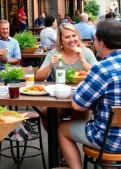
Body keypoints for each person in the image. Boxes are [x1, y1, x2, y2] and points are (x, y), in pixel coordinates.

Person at [58, 19, 121, 168]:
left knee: (61, 129)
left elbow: (78, 105)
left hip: (110, 139)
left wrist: (81, 84)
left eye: (95, 40)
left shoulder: (101, 68)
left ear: (101, 43)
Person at [36, 22, 98, 159]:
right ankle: (61, 148)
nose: (72, 40)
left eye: (74, 36)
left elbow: (97, 74)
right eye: (67, 37)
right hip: (60, 98)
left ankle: (66, 150)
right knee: (45, 112)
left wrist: (82, 59)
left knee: (75, 120)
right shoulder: (54, 53)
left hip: (80, 100)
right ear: (61, 40)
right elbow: (39, 76)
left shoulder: (86, 52)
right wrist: (50, 64)